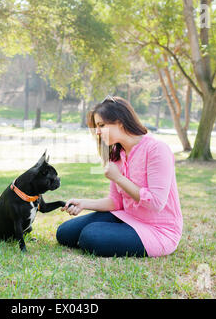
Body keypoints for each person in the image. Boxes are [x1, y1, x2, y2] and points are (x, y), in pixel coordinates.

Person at [56, 95, 183, 258]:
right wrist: (83, 203)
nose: (98, 132)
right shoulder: (117, 154)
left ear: (120, 121)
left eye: (101, 125)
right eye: (97, 126)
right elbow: (116, 202)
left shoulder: (157, 149)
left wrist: (119, 178)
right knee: (65, 233)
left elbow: (157, 203)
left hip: (158, 230)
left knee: (91, 236)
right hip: (128, 217)